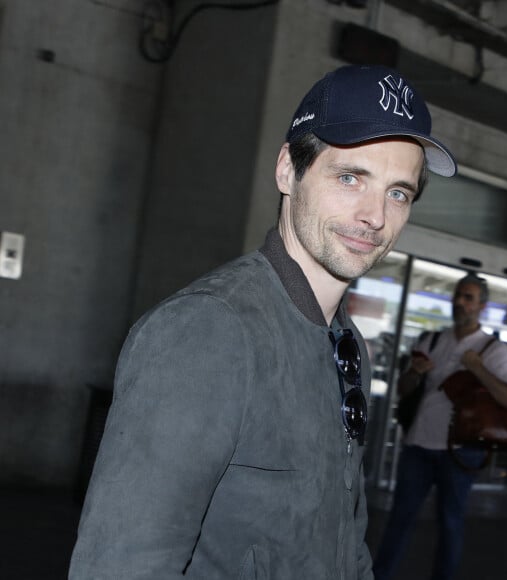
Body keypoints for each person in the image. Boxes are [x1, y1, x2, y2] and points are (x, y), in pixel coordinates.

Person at [68, 64, 456, 579]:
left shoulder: (347, 348)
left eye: (398, 193)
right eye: (349, 178)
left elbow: (347, 538)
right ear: (287, 171)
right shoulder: (209, 331)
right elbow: (121, 566)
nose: (376, 217)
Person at [373, 274, 507, 580]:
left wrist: (478, 368)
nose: (460, 302)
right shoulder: (431, 340)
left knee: (450, 524)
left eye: (468, 297)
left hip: (459, 452)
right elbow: (404, 389)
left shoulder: (493, 349)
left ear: (482, 305)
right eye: (458, 295)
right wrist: (414, 374)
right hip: (418, 445)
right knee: (399, 520)